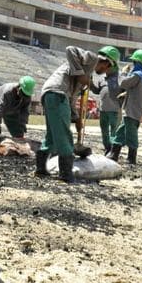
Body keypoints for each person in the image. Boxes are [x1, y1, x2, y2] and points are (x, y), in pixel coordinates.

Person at [36, 46, 115, 183]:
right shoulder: (92, 58)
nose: (103, 72)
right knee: (65, 135)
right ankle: (66, 175)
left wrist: (77, 118)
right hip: (57, 92)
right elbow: (70, 49)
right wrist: (79, 73)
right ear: (106, 63)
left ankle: (41, 169)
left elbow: (72, 99)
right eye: (106, 68)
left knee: (52, 136)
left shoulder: (86, 75)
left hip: (53, 95)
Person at [107, 49, 142, 164]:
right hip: (135, 109)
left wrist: (124, 72)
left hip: (132, 110)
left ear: (137, 62)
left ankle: (131, 158)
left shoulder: (137, 75)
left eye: (134, 62)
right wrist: (126, 94)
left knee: (131, 134)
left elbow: (123, 83)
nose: (133, 64)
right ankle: (114, 153)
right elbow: (137, 90)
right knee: (121, 132)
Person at [89, 45, 121, 153]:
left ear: (109, 63)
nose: (97, 66)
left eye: (100, 62)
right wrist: (90, 83)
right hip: (103, 110)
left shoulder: (120, 79)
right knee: (104, 132)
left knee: (114, 132)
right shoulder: (103, 79)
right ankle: (107, 149)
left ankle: (113, 151)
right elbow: (96, 91)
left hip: (114, 111)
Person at [0, 75, 35, 145]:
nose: (25, 96)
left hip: (12, 108)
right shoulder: (7, 91)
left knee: (18, 130)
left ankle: (19, 143)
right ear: (19, 87)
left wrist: (23, 123)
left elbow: (25, 111)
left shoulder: (27, 96)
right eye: (23, 93)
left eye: (26, 94)